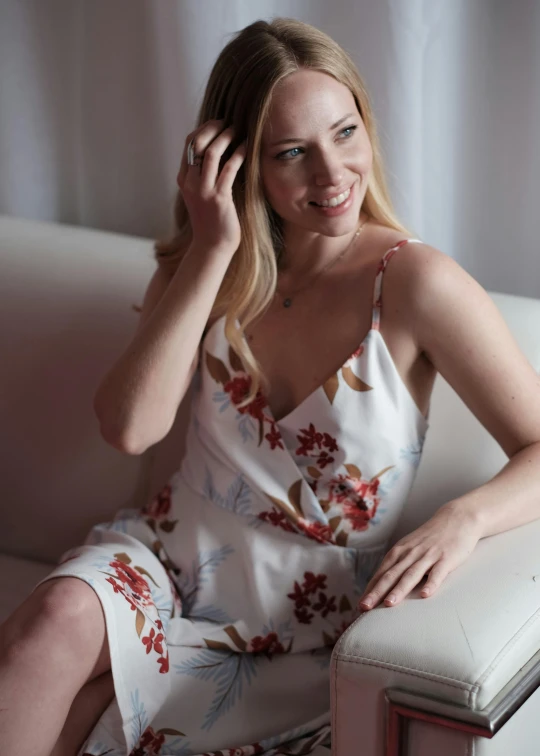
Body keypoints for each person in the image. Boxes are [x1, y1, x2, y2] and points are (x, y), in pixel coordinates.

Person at [1, 16, 539, 756]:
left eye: (345, 133)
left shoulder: (416, 284)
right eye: (293, 152)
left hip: (305, 633)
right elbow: (130, 428)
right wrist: (214, 245)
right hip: (164, 565)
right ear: (240, 162)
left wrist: (465, 519)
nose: (332, 174)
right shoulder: (203, 266)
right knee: (51, 621)